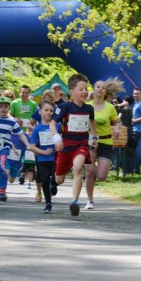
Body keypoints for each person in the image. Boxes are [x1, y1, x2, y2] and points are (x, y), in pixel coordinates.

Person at [50, 73, 98, 217]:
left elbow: (92, 123)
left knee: (78, 169)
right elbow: (52, 124)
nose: (84, 92)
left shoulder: (89, 109)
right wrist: (57, 138)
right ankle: (54, 180)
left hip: (81, 145)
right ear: (72, 92)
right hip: (65, 146)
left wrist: (94, 137)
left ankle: (74, 202)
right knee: (60, 179)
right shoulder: (64, 107)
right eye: (81, 89)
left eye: (86, 89)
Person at [0, 96, 30, 203]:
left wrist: (28, 145)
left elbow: (20, 134)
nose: (3, 109)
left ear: (9, 109)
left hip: (4, 147)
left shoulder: (12, 121)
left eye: (6, 107)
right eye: (1, 106)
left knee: (1, 166)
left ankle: (2, 190)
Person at [84, 78, 123, 209]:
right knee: (89, 172)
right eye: (98, 87)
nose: (100, 89)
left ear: (105, 92)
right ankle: (90, 200)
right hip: (90, 141)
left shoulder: (110, 107)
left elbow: (117, 121)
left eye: (103, 88)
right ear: (94, 90)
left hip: (106, 141)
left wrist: (117, 128)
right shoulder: (87, 106)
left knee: (101, 176)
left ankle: (93, 170)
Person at [29, 100, 58, 213]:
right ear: (40, 112)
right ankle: (48, 203)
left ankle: (54, 184)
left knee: (55, 178)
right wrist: (43, 152)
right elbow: (32, 146)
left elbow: (62, 140)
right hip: (42, 159)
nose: (49, 112)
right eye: (46, 110)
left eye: (51, 111)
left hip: (55, 158)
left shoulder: (57, 126)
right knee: (44, 180)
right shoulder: (37, 128)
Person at [128, 88, 141, 174]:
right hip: (135, 129)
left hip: (138, 130)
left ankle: (136, 169)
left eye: (137, 94)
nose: (136, 95)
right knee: (132, 149)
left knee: (132, 149)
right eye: (134, 93)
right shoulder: (135, 104)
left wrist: (134, 121)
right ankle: (135, 169)